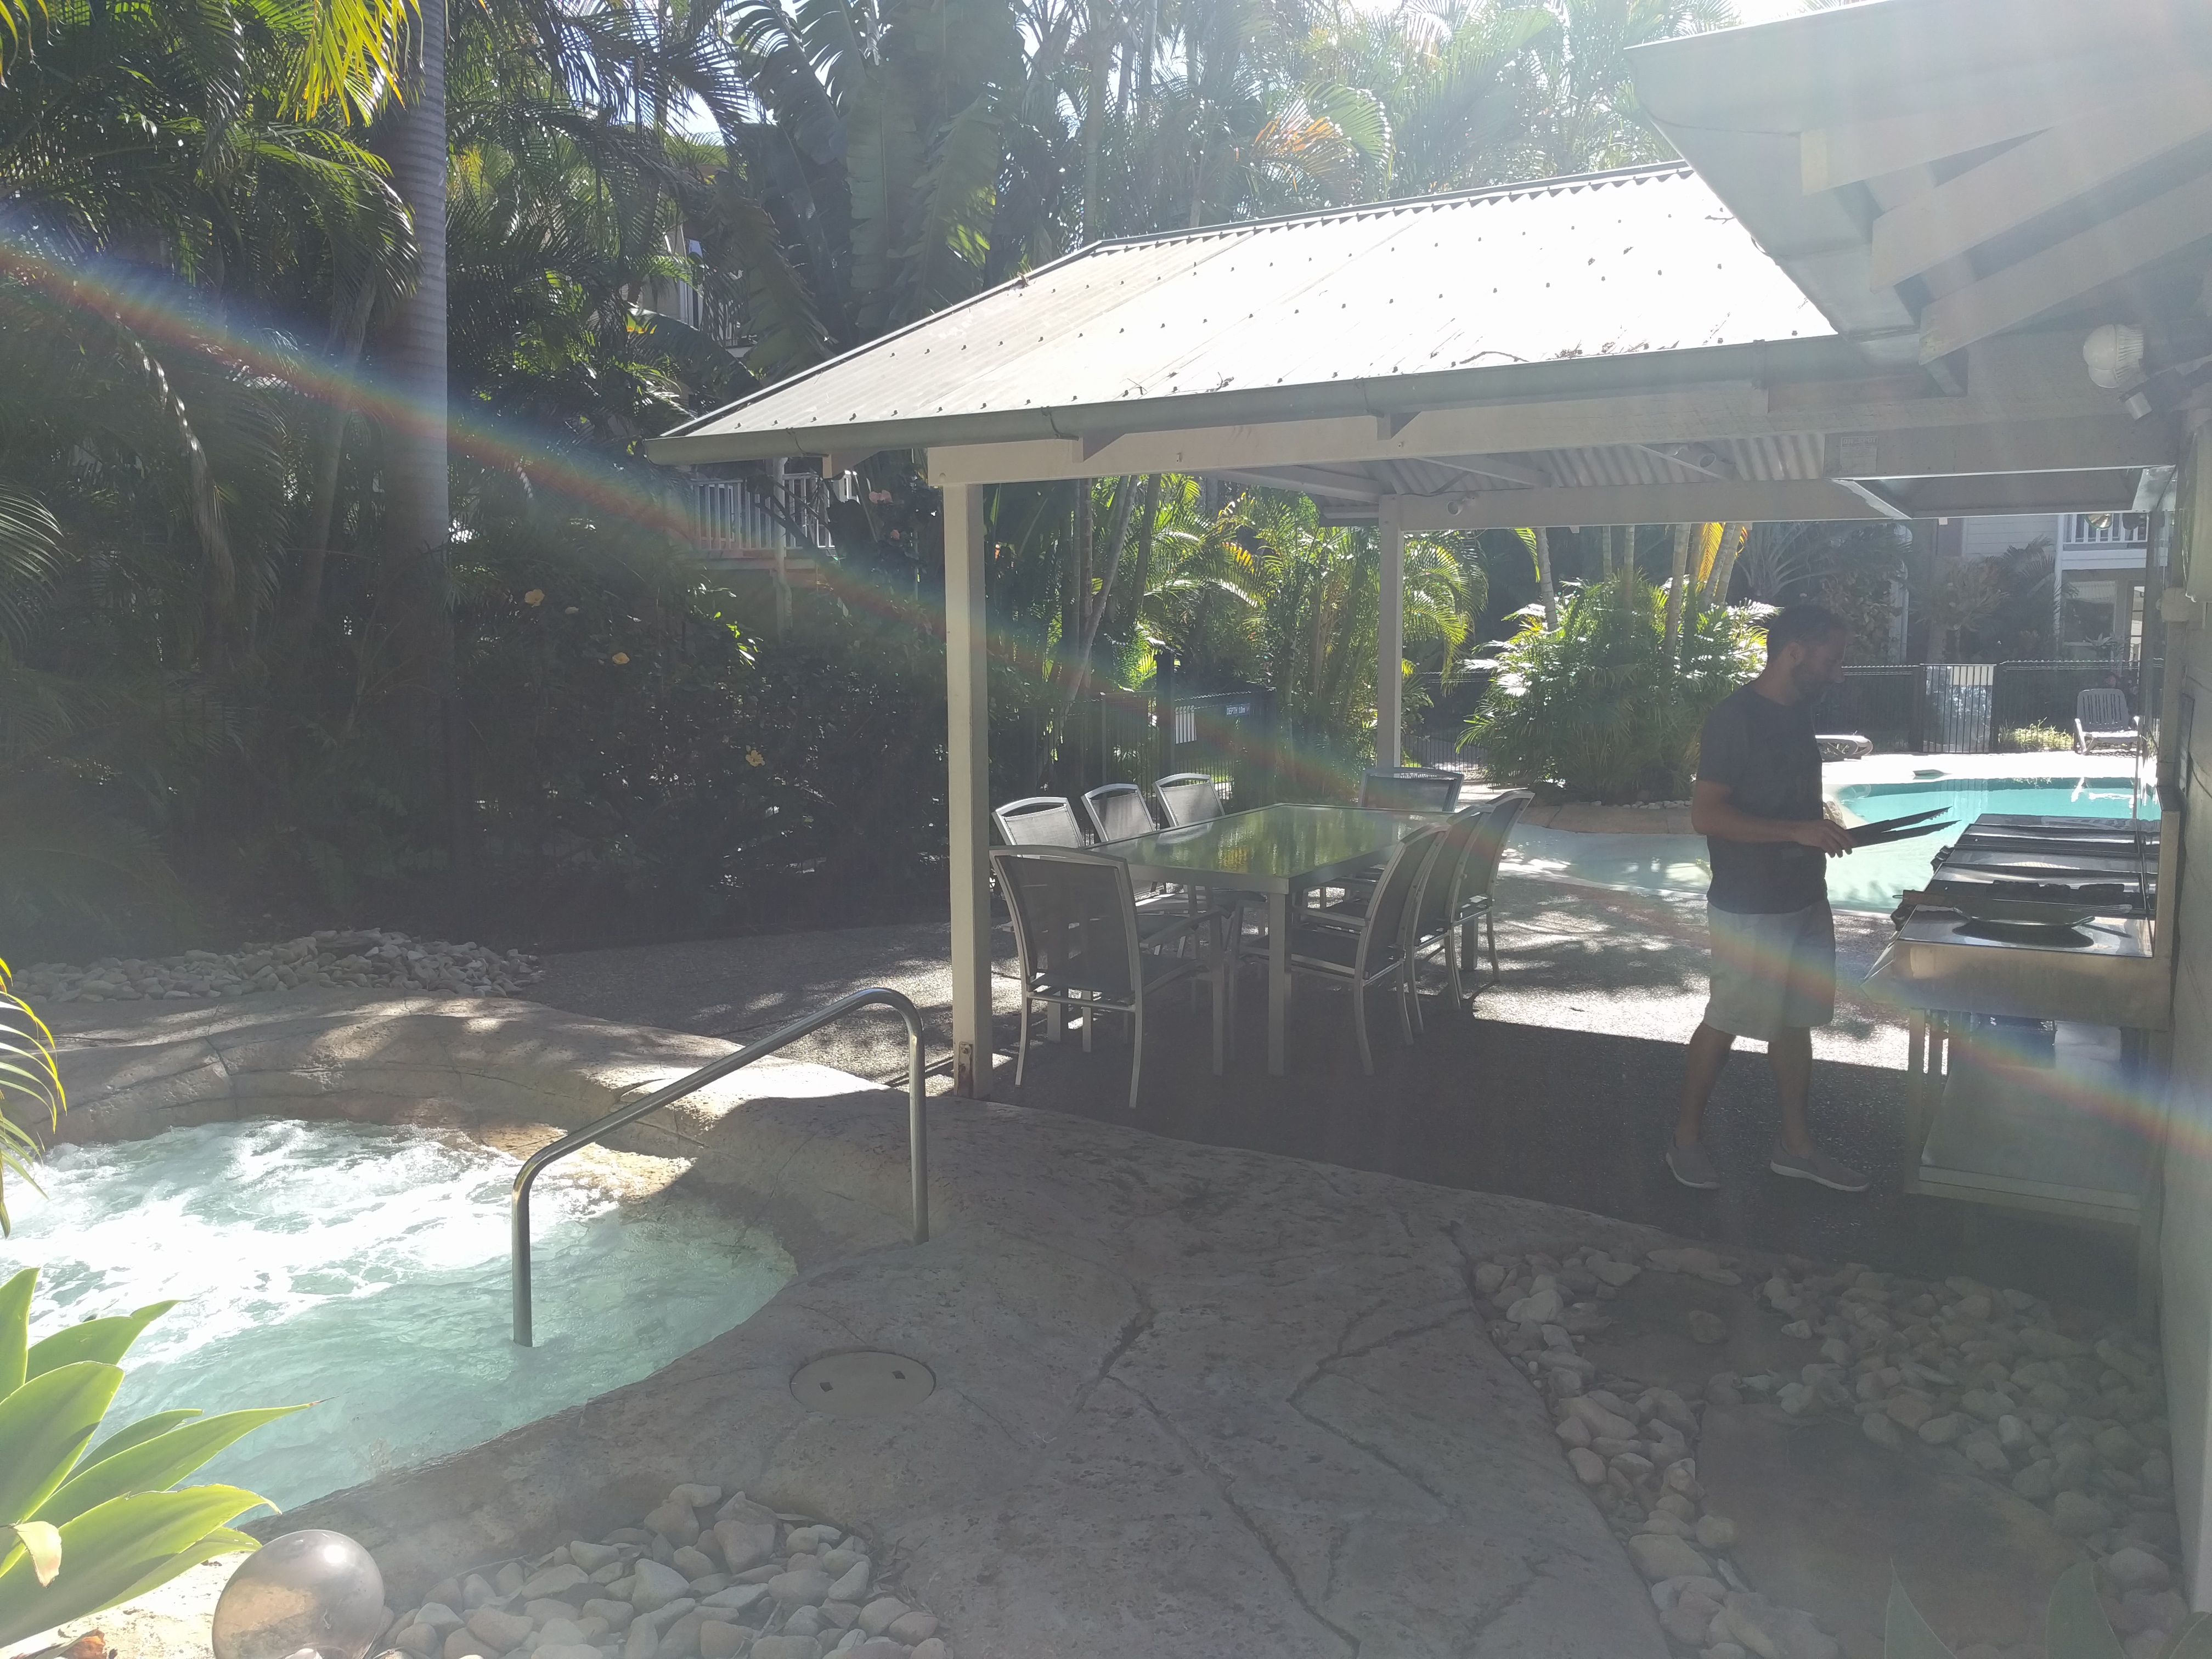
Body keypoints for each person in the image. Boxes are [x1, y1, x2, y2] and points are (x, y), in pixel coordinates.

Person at [1667, 603, 1870, 1194]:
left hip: (1804, 895)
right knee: (1727, 1021)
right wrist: (1796, 831)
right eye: (1832, 660)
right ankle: (1684, 1138)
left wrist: (1821, 825)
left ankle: (1795, 1148)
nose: (1839, 674)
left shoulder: (1798, 712)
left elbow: (1787, 797)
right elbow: (1706, 816)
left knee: (1795, 1022)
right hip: (1750, 905)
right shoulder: (1735, 718)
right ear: (1794, 653)